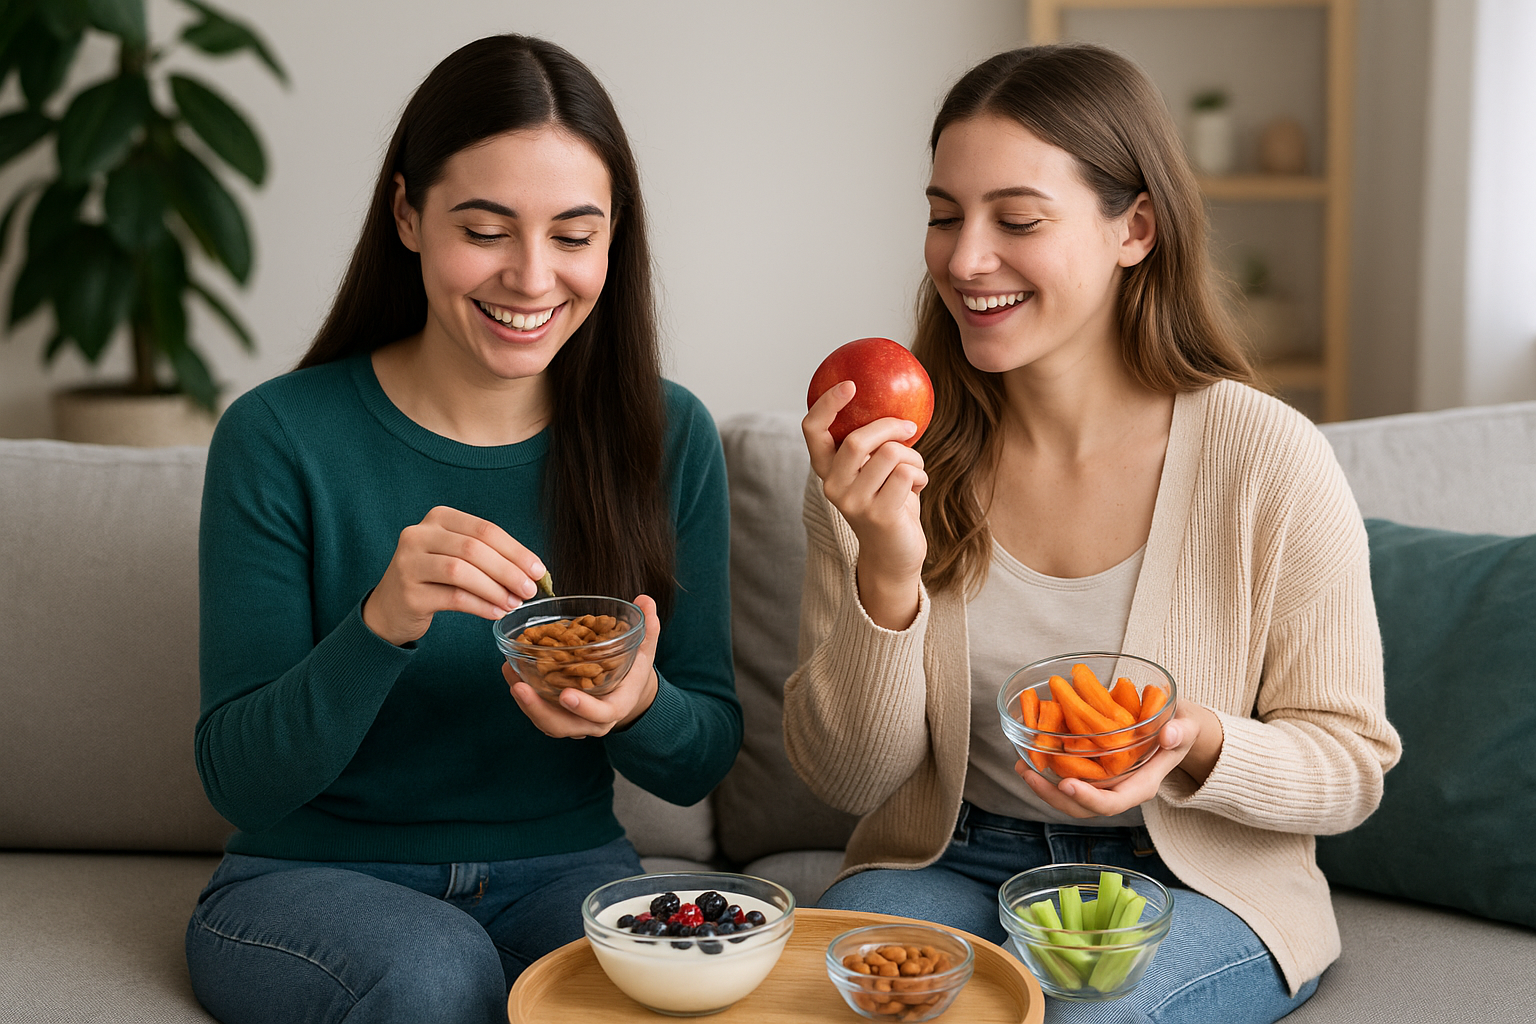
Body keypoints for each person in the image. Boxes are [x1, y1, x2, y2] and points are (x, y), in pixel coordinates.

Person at [785, 43, 1400, 1024]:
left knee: (1083, 1016)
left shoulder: (1263, 456)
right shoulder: (886, 457)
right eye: (944, 215)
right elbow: (847, 777)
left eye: (1016, 219)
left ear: (1136, 228)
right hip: (952, 860)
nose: (963, 256)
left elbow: (1352, 766)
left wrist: (1200, 745)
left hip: (1191, 878)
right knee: (836, 995)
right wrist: (888, 574)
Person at [186, 34, 740, 1024]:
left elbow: (700, 755)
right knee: (437, 972)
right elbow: (240, 779)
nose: (532, 278)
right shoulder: (278, 435)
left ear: (616, 240)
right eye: (486, 229)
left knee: (674, 975)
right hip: (309, 877)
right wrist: (381, 621)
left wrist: (639, 698)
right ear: (408, 214)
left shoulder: (668, 434)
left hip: (567, 866)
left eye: (574, 236)